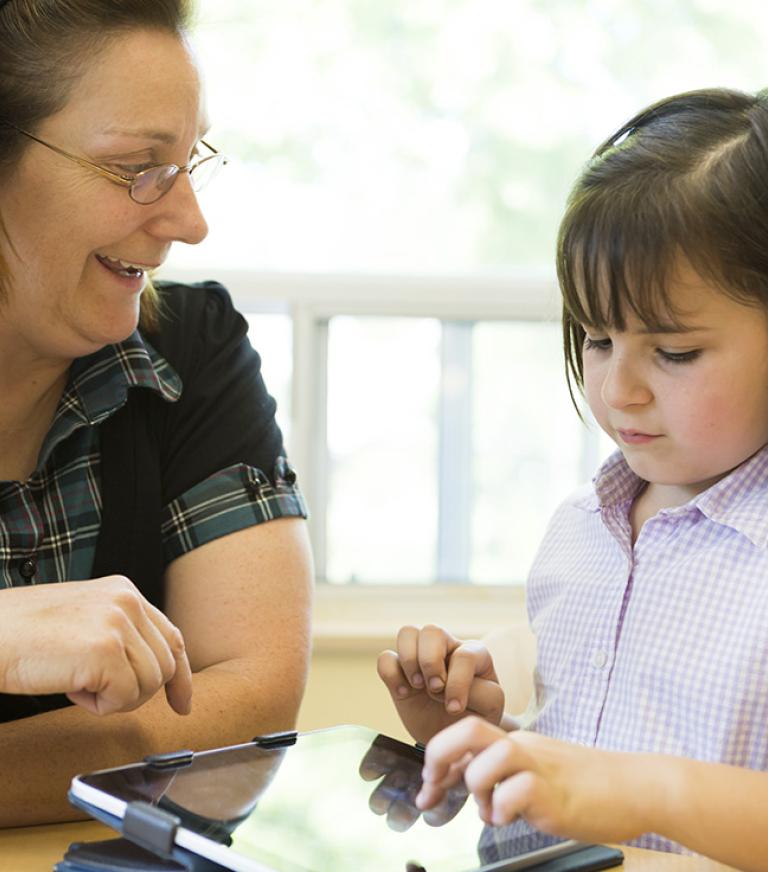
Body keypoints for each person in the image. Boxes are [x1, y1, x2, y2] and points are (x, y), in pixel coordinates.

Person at [379, 87, 768, 871]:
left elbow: (626, 792)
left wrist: (639, 790)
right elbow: (582, 801)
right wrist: (485, 748)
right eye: (595, 338)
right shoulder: (579, 531)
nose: (618, 389)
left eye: (675, 352)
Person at [0, 0, 313, 827]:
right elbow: (192, 725)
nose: (190, 221)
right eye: (137, 166)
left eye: (187, 162)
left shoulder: (191, 352)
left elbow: (250, 703)